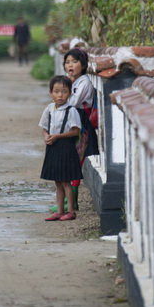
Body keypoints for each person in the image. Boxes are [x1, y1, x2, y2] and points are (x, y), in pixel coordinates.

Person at [59, 47, 99, 212]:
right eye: (67, 62)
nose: (70, 65)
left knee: (76, 161)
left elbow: (72, 102)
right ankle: (70, 201)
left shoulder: (84, 83)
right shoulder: (74, 82)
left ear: (83, 65)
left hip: (82, 125)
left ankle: (72, 202)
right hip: (73, 123)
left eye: (74, 62)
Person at [39, 75, 83, 221]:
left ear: (69, 93)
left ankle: (70, 210)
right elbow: (44, 127)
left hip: (66, 147)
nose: (60, 95)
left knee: (66, 181)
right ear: (51, 92)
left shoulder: (71, 111)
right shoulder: (49, 109)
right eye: (56, 91)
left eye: (64, 91)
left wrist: (58, 136)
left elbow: (76, 131)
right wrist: (46, 136)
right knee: (57, 181)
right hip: (53, 147)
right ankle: (59, 210)